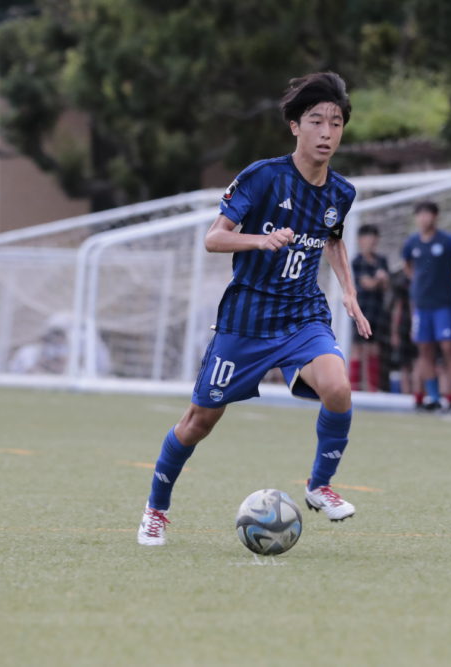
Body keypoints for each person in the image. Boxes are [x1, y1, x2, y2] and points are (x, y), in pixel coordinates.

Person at [137, 72, 370, 546]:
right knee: (198, 422)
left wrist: (348, 290)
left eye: (336, 122)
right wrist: (260, 241)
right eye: (316, 121)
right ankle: (155, 510)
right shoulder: (263, 177)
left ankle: (319, 485)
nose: (327, 132)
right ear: (295, 126)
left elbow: (333, 239)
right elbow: (213, 238)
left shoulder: (341, 192)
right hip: (246, 321)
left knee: (338, 388)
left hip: (303, 315)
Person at [402, 201, 451, 410]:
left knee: (448, 347)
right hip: (421, 306)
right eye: (420, 215)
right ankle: (433, 397)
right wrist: (416, 282)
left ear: (435, 216)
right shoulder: (412, 243)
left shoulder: (447, 241)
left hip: (443, 304)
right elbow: (406, 264)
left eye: (428, 214)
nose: (424, 219)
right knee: (424, 349)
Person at [350, 224, 390, 391]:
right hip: (361, 310)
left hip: (377, 311)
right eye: (368, 237)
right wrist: (379, 279)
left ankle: (372, 388)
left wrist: (381, 281)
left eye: (374, 237)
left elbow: (386, 286)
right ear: (360, 240)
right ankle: (354, 387)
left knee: (374, 348)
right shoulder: (357, 261)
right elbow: (367, 284)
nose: (371, 241)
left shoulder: (382, 260)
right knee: (358, 348)